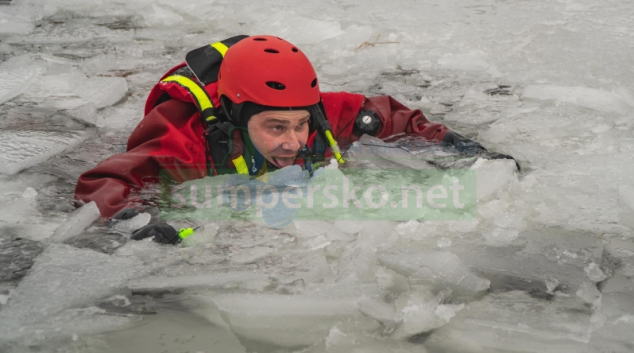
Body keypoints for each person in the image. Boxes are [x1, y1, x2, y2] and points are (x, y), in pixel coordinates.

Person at [74, 34, 516, 244]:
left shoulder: (319, 114)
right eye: (275, 128)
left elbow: (391, 118)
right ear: (235, 120)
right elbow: (106, 180)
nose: (292, 142)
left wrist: (456, 147)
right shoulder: (184, 137)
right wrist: (131, 221)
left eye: (299, 125)